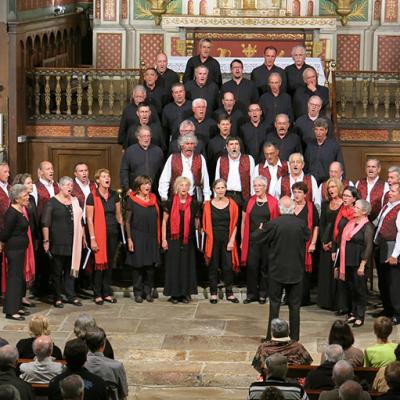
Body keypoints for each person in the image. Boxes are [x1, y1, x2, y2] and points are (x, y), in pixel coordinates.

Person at [265, 196, 310, 341]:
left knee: (274, 305)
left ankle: (271, 337)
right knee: (295, 306)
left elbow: (259, 238)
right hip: (295, 270)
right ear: (293, 208)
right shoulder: (301, 224)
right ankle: (295, 338)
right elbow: (307, 237)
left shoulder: (273, 224)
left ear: (279, 208)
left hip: (277, 270)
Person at [42, 176, 84, 308]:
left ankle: (71, 295)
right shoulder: (52, 202)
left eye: (71, 185)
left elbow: (81, 222)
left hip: (73, 242)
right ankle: (57, 297)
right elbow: (45, 223)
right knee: (57, 271)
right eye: (66, 185)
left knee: (70, 270)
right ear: (60, 186)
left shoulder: (75, 201)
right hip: (58, 243)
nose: (69, 187)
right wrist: (46, 241)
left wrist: (83, 238)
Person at [240, 176, 279, 304]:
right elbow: (244, 222)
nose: (256, 188)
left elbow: (275, 223)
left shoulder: (273, 202)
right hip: (252, 241)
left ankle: (263, 294)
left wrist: (264, 228)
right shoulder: (249, 201)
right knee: (252, 267)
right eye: (255, 185)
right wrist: (242, 240)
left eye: (259, 186)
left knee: (265, 268)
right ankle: (251, 295)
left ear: (265, 187)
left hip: (267, 241)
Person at [86, 169, 122, 305]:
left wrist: (124, 233)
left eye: (108, 176)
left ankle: (106, 292)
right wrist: (93, 238)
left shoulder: (114, 195)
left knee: (109, 264)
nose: (107, 178)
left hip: (113, 233)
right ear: (97, 180)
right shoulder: (92, 196)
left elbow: (118, 215)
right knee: (99, 265)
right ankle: (97, 293)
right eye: (104, 176)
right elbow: (89, 219)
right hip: (99, 235)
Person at [162, 176, 199, 304]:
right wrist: (163, 239)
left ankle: (185, 293)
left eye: (186, 185)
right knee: (174, 266)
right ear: (177, 187)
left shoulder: (193, 202)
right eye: (181, 185)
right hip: (173, 238)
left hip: (188, 239)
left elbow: (196, 221)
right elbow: (164, 221)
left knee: (186, 266)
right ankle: (174, 294)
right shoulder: (170, 202)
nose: (184, 188)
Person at [337, 199, 374, 327]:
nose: (354, 208)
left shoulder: (367, 226)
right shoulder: (350, 223)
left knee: (360, 290)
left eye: (357, 207)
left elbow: (368, 247)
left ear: (364, 211)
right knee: (351, 289)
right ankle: (353, 313)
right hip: (348, 261)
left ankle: (360, 315)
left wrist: (362, 264)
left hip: (359, 262)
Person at [203, 179, 239, 304]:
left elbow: (235, 224)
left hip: (227, 240)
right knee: (213, 267)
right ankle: (213, 293)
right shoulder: (207, 205)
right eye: (218, 188)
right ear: (214, 189)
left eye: (222, 188)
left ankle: (229, 292)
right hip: (212, 240)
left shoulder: (232, 204)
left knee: (228, 267)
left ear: (226, 189)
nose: (220, 190)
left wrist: (232, 241)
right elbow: (204, 225)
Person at [125, 175, 160, 303]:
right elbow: (127, 222)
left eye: (149, 184)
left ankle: (148, 292)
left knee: (150, 267)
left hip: (151, 237)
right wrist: (129, 239)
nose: (147, 186)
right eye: (144, 184)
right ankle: (138, 293)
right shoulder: (132, 200)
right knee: (138, 267)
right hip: (137, 236)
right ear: (138, 187)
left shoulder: (154, 199)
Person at [0, 185, 31, 321]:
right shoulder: (12, 213)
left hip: (20, 249)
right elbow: (5, 233)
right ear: (17, 198)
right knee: (14, 278)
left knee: (18, 278)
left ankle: (16, 306)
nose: (27, 197)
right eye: (25, 195)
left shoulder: (19, 209)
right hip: (14, 250)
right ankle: (11, 311)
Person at [331, 186, 360, 315]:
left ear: (354, 199)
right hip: (339, 248)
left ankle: (352, 308)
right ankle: (342, 306)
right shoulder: (341, 210)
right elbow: (336, 230)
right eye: (344, 195)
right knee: (341, 280)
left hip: (351, 251)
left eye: (348, 196)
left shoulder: (357, 213)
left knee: (351, 280)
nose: (345, 198)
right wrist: (334, 249)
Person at [158, 133, 211, 202]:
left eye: (192, 144)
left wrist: (207, 198)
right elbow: (164, 179)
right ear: (181, 145)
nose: (189, 146)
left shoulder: (200, 158)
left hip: (194, 198)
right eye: (187, 144)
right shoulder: (173, 158)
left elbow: (205, 180)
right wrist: (164, 197)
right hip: (176, 198)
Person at [374, 183, 400, 322]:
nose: (389, 193)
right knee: (383, 281)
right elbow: (378, 223)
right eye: (390, 190)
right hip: (381, 247)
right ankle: (387, 309)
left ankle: (397, 314)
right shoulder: (386, 206)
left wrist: (395, 255)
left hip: (393, 248)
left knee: (393, 283)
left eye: (393, 191)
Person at [318, 178, 344, 310]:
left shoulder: (344, 204)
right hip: (325, 241)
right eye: (329, 188)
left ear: (339, 188)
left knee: (336, 272)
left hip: (338, 241)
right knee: (325, 272)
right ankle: (325, 301)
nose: (331, 189)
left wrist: (333, 243)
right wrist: (323, 241)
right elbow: (322, 223)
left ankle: (337, 303)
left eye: (333, 187)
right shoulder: (325, 204)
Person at [292, 182, 319, 306]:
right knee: (291, 271)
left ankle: (303, 299)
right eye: (295, 192)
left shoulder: (310, 207)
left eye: (299, 192)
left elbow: (316, 227)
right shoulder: (290, 206)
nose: (297, 195)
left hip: (305, 244)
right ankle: (290, 297)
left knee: (303, 273)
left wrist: (313, 243)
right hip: (291, 245)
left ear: (305, 194)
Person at [84, 327, 128, 400]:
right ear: (104, 343)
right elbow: (124, 393)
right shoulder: (116, 366)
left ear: (85, 343)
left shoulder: (80, 364)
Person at [120, 125, 164, 194]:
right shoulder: (130, 151)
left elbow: (162, 172)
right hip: (135, 191)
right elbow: (124, 171)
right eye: (144, 136)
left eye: (148, 136)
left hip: (154, 192)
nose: (146, 139)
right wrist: (127, 188)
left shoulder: (158, 151)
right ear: (138, 137)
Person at [215, 136, 255, 210]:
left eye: (236, 144)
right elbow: (217, 180)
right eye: (231, 144)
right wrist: (216, 197)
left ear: (240, 146)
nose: (234, 147)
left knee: (243, 220)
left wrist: (253, 197)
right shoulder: (221, 160)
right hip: (226, 196)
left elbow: (253, 179)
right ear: (227, 147)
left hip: (243, 197)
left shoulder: (249, 159)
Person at [304, 118, 345, 185]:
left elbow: (340, 166)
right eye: (316, 129)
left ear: (326, 131)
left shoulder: (334, 145)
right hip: (311, 182)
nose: (318, 132)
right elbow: (306, 165)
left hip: (327, 183)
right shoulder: (310, 145)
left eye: (321, 130)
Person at [206, 114, 231, 181]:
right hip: (217, 178)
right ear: (218, 126)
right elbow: (209, 163)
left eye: (227, 124)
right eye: (223, 124)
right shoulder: (212, 142)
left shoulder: (237, 141)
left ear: (230, 125)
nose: (225, 126)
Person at [0, 162, 10, 232]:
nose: (8, 174)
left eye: (8, 172)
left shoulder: (10, 187)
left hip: (13, 227)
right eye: (5, 172)